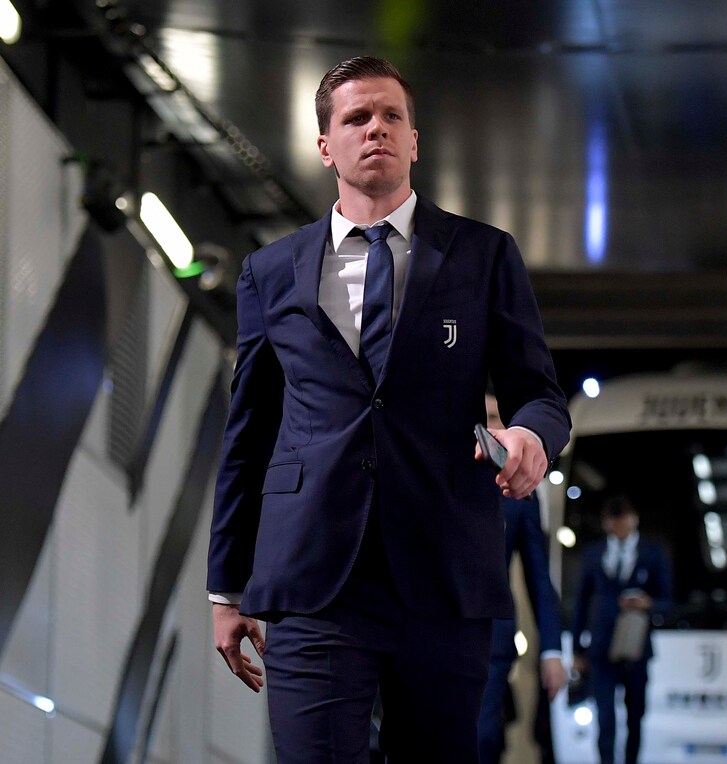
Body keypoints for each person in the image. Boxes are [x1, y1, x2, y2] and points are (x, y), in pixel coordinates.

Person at [206, 56, 570, 763]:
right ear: (325, 146)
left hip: (442, 574)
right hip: (313, 577)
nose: (376, 128)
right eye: (357, 118)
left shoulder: (483, 256)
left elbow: (540, 392)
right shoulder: (269, 272)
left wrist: (531, 433)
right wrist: (227, 587)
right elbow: (248, 433)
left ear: (414, 140)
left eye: (391, 116)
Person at [477, 396, 567, 763]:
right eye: (482, 417)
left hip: (491, 636)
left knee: (482, 738)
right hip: (428, 630)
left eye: (495, 417)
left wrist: (552, 651)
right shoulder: (434, 476)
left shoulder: (522, 494)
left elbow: (539, 578)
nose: (488, 426)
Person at [571, 496, 673, 764]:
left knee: (635, 716)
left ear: (633, 519)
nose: (619, 526)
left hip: (635, 644)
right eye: (614, 522)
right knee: (605, 717)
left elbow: (668, 600)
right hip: (601, 646)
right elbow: (581, 602)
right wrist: (577, 649)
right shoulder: (594, 554)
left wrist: (648, 603)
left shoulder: (652, 553)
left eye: (623, 520)